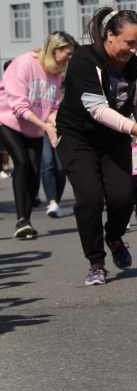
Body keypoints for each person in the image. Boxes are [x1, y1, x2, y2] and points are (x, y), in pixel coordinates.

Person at [55, 7, 137, 285]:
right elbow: (98, 110)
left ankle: (114, 236)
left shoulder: (134, 64)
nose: (134, 48)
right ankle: (96, 262)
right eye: (129, 42)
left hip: (113, 137)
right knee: (90, 199)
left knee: (123, 197)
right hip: (78, 137)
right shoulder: (84, 60)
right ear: (110, 36)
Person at [0, 31, 78, 238]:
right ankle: (21, 220)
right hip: (7, 120)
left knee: (34, 171)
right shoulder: (24, 64)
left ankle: (26, 221)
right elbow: (19, 106)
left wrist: (60, 125)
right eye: (67, 54)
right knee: (22, 163)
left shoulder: (55, 73)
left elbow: (52, 106)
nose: (69, 58)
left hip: (33, 126)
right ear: (55, 49)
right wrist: (46, 127)